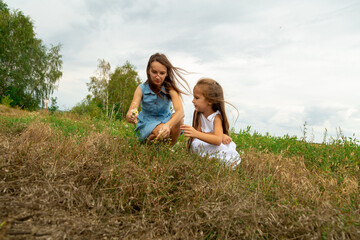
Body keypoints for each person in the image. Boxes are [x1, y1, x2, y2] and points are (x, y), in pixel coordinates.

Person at [126, 53, 190, 145]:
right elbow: (133, 108)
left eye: (162, 73)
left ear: (167, 73)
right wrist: (130, 115)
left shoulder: (170, 89)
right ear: (148, 71)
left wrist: (168, 125)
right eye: (154, 72)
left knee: (179, 120)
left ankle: (168, 147)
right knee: (161, 131)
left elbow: (180, 112)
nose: (157, 76)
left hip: (166, 121)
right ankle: (153, 140)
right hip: (147, 122)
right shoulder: (141, 89)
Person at [180, 78, 241, 166]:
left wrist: (196, 133)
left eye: (196, 98)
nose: (193, 101)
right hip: (203, 141)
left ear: (210, 101)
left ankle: (225, 162)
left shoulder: (216, 117)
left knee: (223, 147)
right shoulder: (198, 113)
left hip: (214, 143)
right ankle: (208, 160)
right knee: (194, 143)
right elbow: (198, 136)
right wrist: (215, 135)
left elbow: (217, 140)